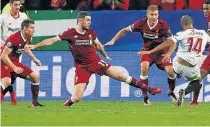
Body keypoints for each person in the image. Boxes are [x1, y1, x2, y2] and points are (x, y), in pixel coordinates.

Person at [26, 11, 162, 107]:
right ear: (80, 20)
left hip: (96, 62)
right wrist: (36, 45)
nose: (90, 22)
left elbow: (98, 44)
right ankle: (69, 102)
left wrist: (105, 55)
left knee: (121, 76)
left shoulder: (91, 33)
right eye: (88, 20)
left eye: (90, 20)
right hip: (81, 67)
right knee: (77, 97)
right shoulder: (70, 33)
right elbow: (52, 41)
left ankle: (150, 90)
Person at [138, 15, 210, 106]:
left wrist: (151, 51)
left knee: (173, 67)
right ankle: (185, 92)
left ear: (182, 25)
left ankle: (176, 76)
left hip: (178, 65)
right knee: (197, 82)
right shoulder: (203, 33)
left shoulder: (181, 33)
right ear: (191, 23)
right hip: (191, 69)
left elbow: (168, 43)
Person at [105, 5, 177, 106]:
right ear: (147, 15)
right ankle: (145, 97)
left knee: (171, 72)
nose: (154, 17)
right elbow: (125, 30)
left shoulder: (163, 25)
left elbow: (173, 42)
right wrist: (113, 40)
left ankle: (171, 92)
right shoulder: (141, 23)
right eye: (151, 14)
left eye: (156, 14)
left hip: (161, 52)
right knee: (144, 68)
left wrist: (169, 53)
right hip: (147, 50)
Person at [0, 19, 43, 107]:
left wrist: (34, 59)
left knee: (35, 77)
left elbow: (25, 48)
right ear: (25, 28)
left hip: (15, 62)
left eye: (34, 28)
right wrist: (14, 68)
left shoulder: (28, 37)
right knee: (7, 81)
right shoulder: (13, 39)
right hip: (4, 62)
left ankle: (34, 103)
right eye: (31, 28)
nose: (34, 30)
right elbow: (4, 56)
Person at [0, 0, 28, 105]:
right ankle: (9, 96)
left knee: (12, 75)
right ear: (10, 5)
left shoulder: (23, 17)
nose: (17, 7)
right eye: (15, 5)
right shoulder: (3, 17)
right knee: (5, 78)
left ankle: (12, 94)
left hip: (17, 50)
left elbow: (26, 32)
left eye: (19, 5)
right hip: (4, 50)